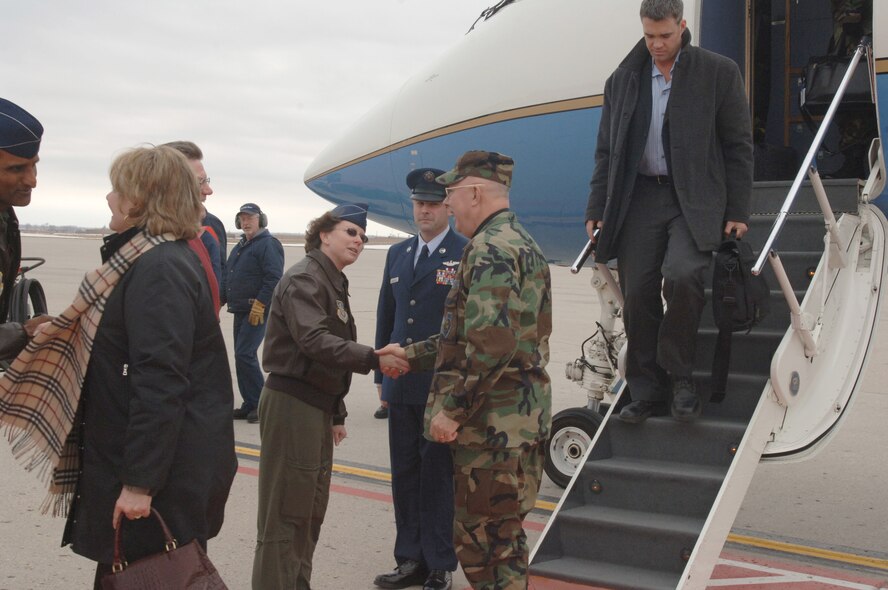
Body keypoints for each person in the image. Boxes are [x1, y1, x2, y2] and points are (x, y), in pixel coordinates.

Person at [0, 145, 237, 589]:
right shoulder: (146, 260)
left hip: (161, 480)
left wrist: (140, 484)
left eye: (116, 189)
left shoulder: (158, 268)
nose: (109, 199)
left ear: (140, 200)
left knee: (146, 574)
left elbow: (161, 382)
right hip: (155, 466)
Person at [378, 151, 552, 590]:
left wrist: (451, 411)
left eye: (452, 195)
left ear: (475, 193)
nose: (448, 205)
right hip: (519, 420)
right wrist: (409, 355)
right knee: (504, 541)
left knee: (486, 547)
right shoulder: (522, 243)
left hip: (491, 429)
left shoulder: (490, 249)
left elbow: (488, 346)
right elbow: (476, 335)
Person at [585, 0, 753, 423]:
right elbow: (606, 151)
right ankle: (645, 388)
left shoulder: (718, 72)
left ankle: (680, 379)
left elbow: (737, 146)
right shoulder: (622, 79)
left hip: (692, 199)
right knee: (638, 293)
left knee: (683, 275)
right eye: (649, 36)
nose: (656, 44)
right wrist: (596, 206)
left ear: (682, 26)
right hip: (639, 198)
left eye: (665, 35)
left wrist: (737, 208)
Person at [252, 203, 409, 590]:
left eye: (363, 235)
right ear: (324, 234)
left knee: (308, 512)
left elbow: (328, 355)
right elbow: (314, 342)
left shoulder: (332, 280)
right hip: (293, 406)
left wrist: (336, 412)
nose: (359, 240)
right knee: (286, 514)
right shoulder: (305, 279)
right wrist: (373, 358)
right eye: (350, 232)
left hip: (315, 407)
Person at [372, 169, 467, 590]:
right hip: (400, 380)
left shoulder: (465, 252)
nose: (424, 210)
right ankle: (409, 558)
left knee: (438, 475)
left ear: (448, 205)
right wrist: (380, 374)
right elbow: (387, 315)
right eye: (418, 204)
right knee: (404, 472)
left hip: (440, 384)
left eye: (432, 203)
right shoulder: (398, 253)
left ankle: (440, 563)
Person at [222, 202, 284, 423]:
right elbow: (228, 276)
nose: (246, 222)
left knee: (245, 354)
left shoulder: (268, 244)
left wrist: (261, 304)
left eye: (250, 217)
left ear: (261, 219)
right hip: (240, 309)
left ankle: (260, 403)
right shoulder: (240, 246)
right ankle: (249, 403)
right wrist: (217, 301)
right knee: (241, 357)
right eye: (243, 218)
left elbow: (274, 277)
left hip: (257, 310)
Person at [0, 98, 52, 358]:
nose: (32, 180)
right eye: (17, 168)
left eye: (34, 165)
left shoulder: (6, 219)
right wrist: (23, 332)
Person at [162, 140, 226, 284]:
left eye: (206, 181)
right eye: (200, 182)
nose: (208, 190)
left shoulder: (210, 227)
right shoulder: (155, 257)